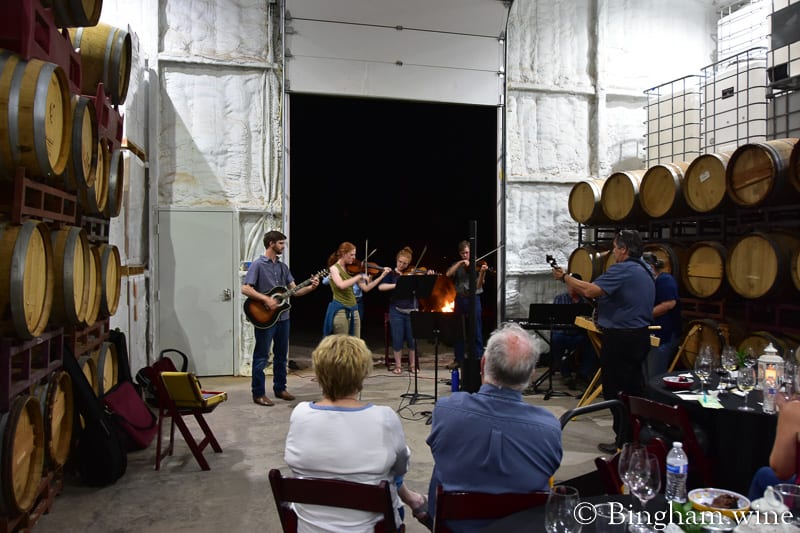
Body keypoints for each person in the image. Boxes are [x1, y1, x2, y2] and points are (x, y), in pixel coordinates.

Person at [425, 322, 563, 530]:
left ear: (483, 364)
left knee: (445, 461)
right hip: (521, 527)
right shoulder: (549, 428)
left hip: (456, 526)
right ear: (531, 373)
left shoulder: (446, 410)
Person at [284, 334, 427, 531]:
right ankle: (415, 501)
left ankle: (412, 499)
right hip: (369, 527)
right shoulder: (384, 417)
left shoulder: (300, 414)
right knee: (389, 473)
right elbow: (401, 468)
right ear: (362, 373)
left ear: (318, 372)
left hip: (309, 527)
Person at [552, 229, 654, 454]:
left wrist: (565, 278)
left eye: (616, 247)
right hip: (639, 337)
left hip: (621, 339)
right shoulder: (646, 269)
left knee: (616, 392)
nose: (614, 252)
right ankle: (634, 439)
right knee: (633, 391)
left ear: (624, 250)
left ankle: (622, 442)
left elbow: (590, 290)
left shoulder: (623, 269)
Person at [242, 230, 319, 406]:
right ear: (271, 243)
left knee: (281, 356)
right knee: (261, 356)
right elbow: (245, 288)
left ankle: (280, 388)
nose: (283, 247)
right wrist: (265, 299)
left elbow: (295, 290)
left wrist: (311, 287)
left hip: (283, 317)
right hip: (265, 318)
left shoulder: (283, 267)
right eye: (281, 244)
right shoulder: (258, 265)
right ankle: (258, 393)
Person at [379, 246, 436, 375]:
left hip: (412, 310)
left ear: (409, 264)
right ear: (396, 259)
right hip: (396, 310)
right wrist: (398, 284)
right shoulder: (391, 273)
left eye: (405, 263)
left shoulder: (412, 274)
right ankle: (398, 366)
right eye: (400, 262)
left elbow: (423, 288)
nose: (401, 265)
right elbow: (381, 287)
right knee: (397, 338)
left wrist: (428, 276)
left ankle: (412, 365)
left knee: (412, 339)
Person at [323, 242, 390, 337]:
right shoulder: (334, 269)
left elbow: (366, 288)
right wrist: (358, 277)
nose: (354, 257)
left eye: (354, 254)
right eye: (351, 255)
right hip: (341, 310)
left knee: (355, 342)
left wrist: (381, 276)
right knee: (343, 344)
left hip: (354, 309)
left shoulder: (352, 269)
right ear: (343, 254)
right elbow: (341, 285)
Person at [445, 240, 489, 370]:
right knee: (459, 330)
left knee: (476, 329)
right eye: (463, 253)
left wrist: (481, 272)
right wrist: (460, 263)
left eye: (468, 253)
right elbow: (448, 274)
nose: (466, 255)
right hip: (460, 299)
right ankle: (458, 359)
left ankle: (478, 359)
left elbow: (479, 285)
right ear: (460, 254)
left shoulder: (478, 264)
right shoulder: (458, 264)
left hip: (474, 298)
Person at [748, 393, 800, 500]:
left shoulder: (794, 411)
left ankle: (755, 516)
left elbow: (781, 471)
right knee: (764, 475)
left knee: (764, 475)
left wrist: (784, 413)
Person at [549, 272, 595, 389]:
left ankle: (583, 373)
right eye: (570, 286)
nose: (571, 289)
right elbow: (554, 319)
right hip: (563, 333)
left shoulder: (586, 301)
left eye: (575, 286)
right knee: (556, 339)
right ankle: (566, 374)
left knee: (593, 343)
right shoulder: (560, 299)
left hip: (580, 334)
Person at [642, 252, 681, 378]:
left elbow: (669, 304)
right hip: (650, 334)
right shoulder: (649, 282)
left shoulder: (665, 280)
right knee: (645, 373)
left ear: (651, 268)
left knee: (655, 375)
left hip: (664, 336)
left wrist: (642, 315)